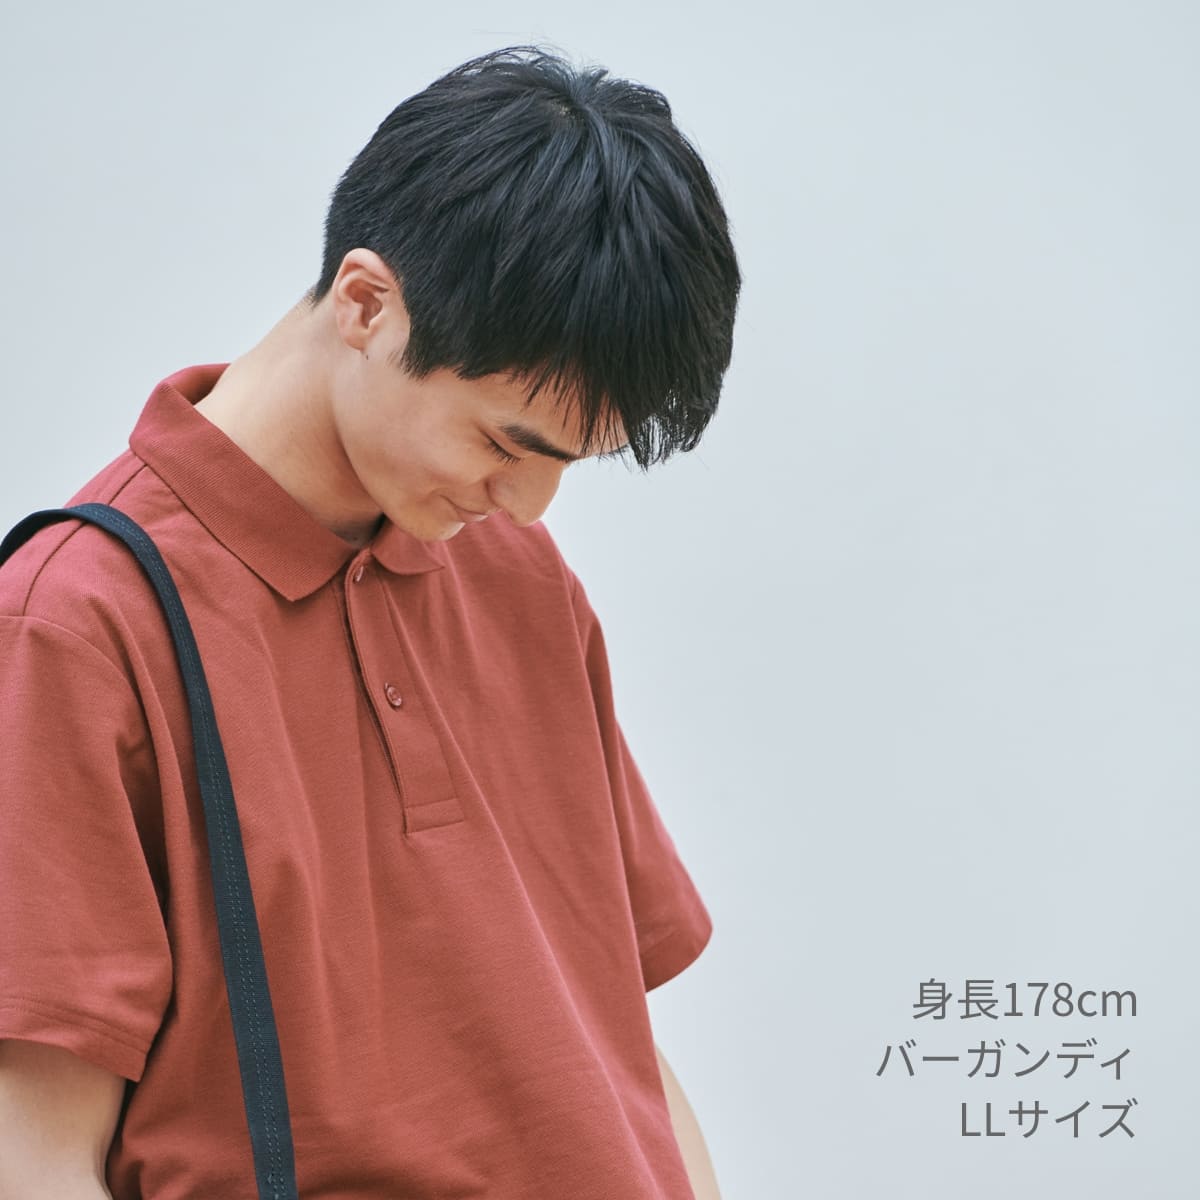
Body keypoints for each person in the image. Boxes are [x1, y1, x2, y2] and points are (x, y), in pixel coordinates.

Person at [0, 45, 740, 1199]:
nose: (528, 505)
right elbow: (32, 1152)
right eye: (503, 442)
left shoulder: (520, 577)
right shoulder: (79, 625)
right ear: (365, 304)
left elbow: (613, 1037)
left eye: (571, 463)